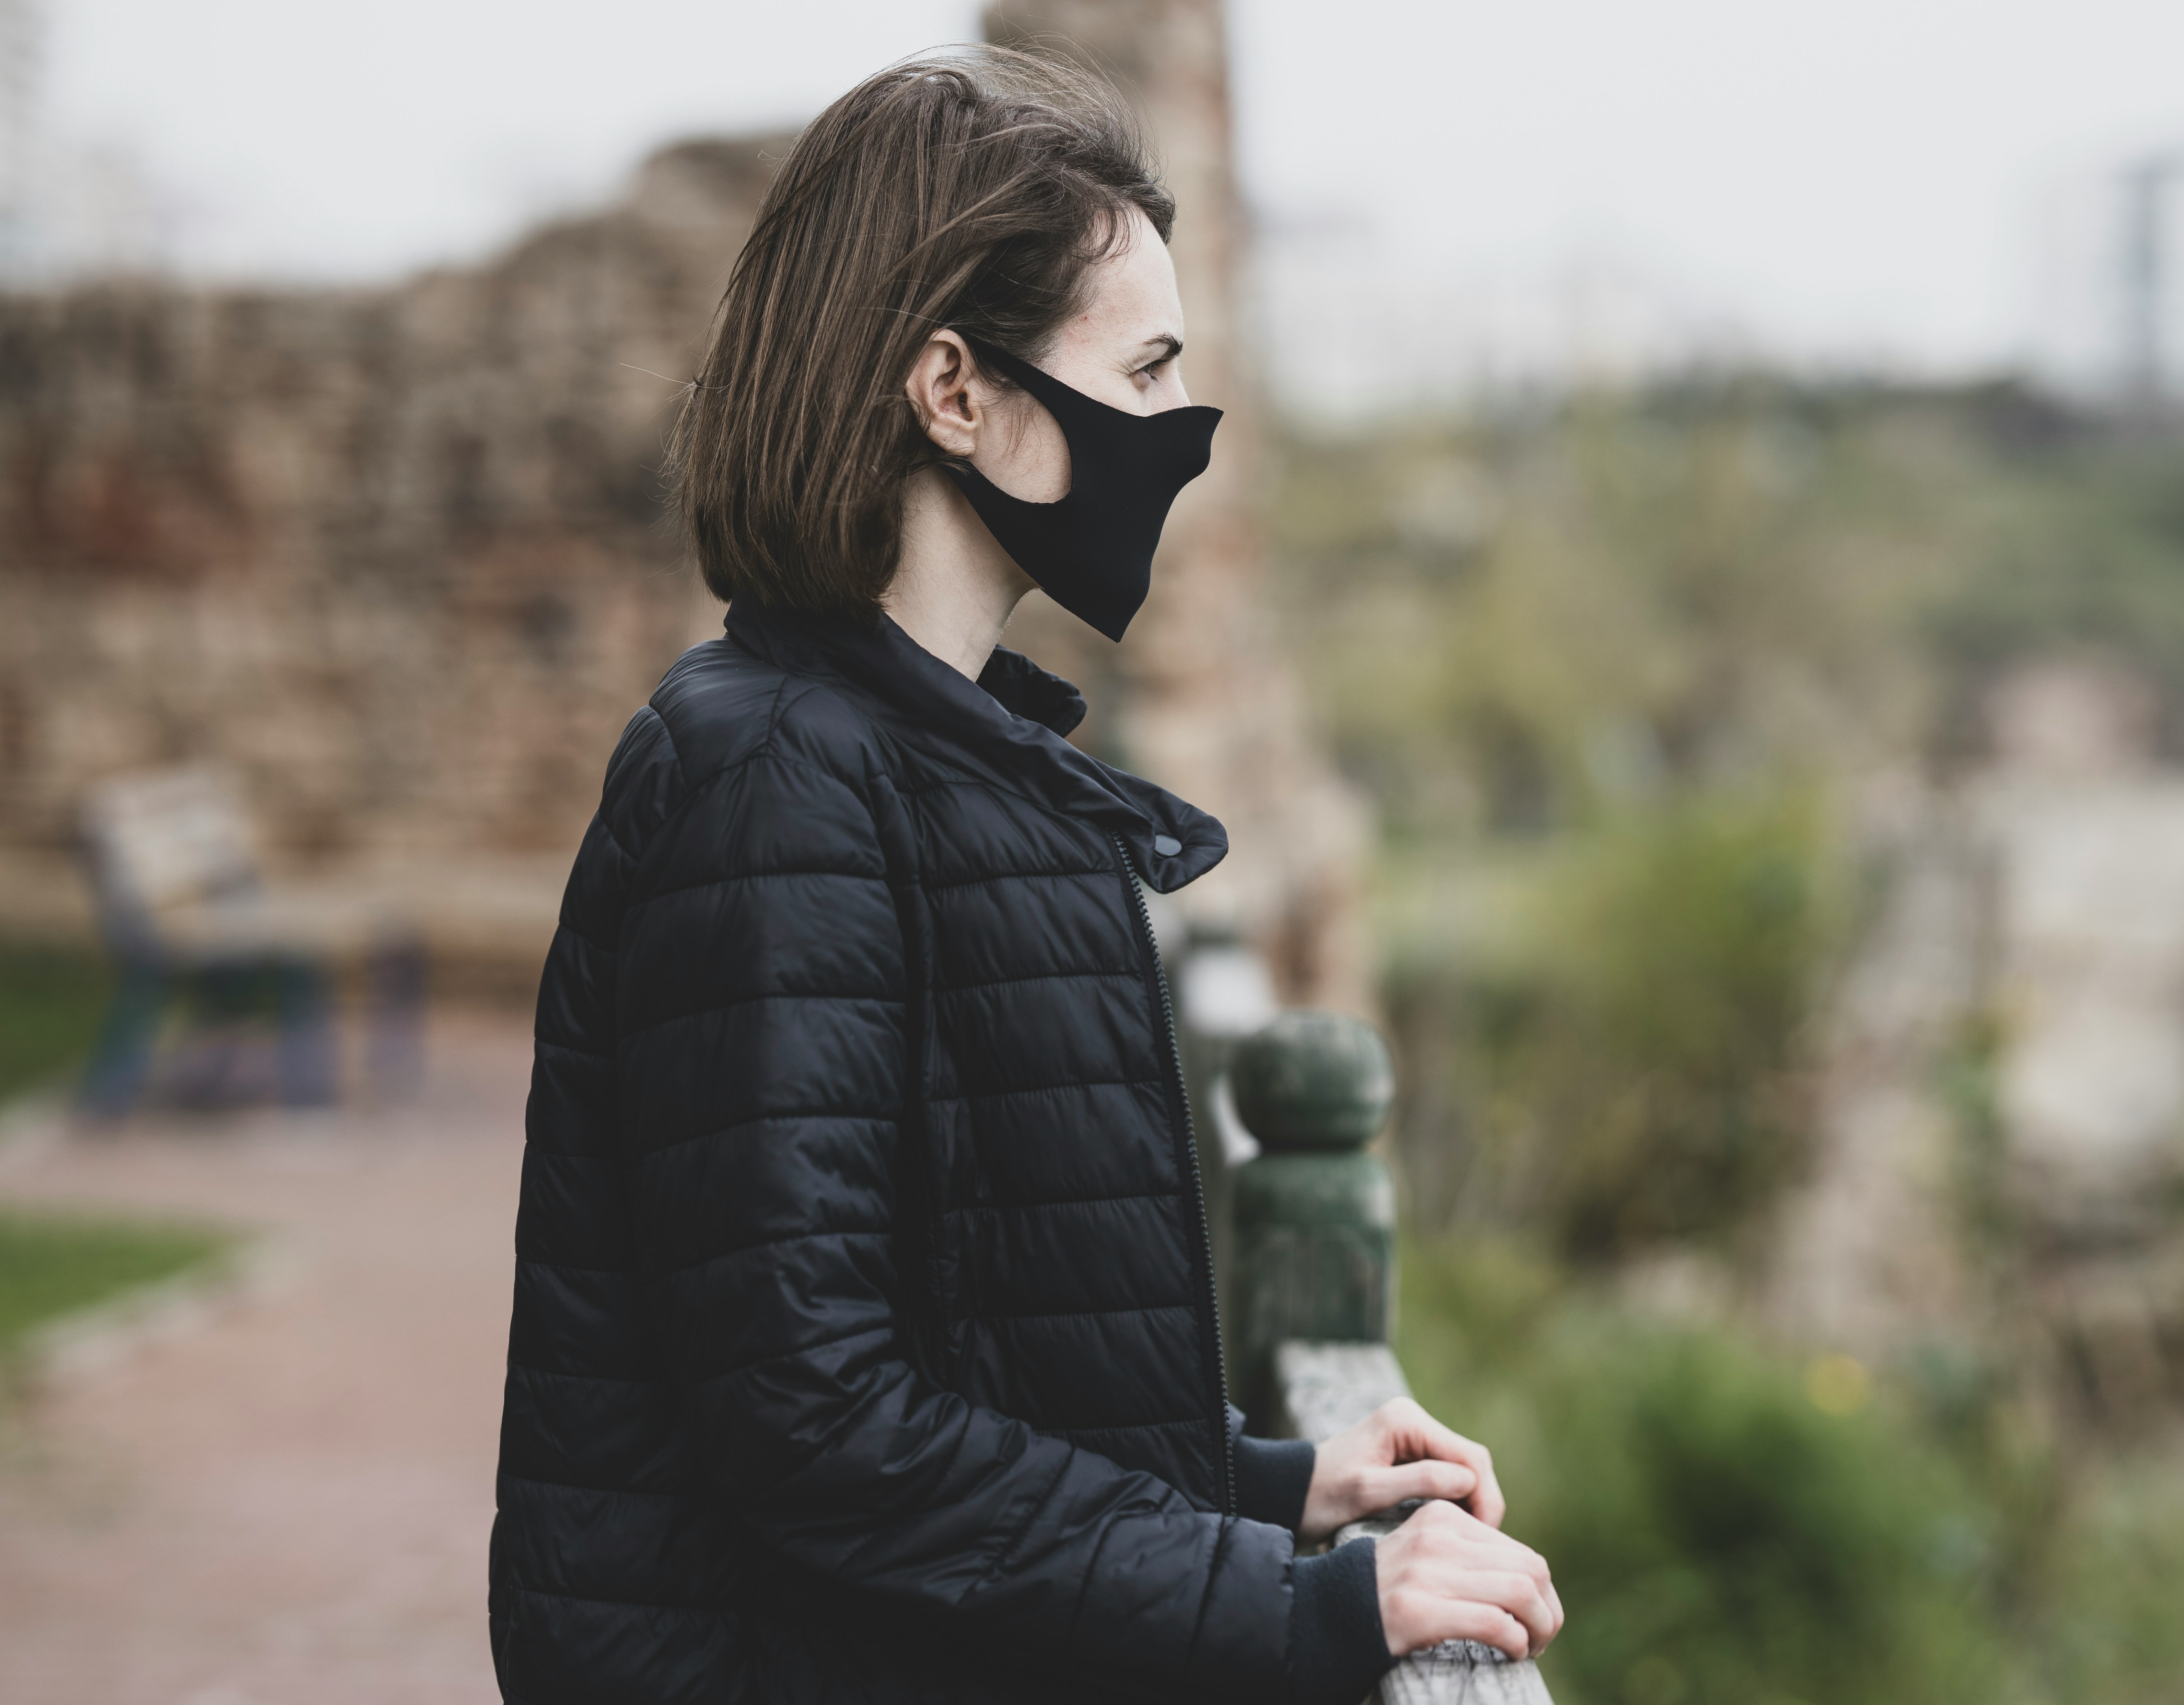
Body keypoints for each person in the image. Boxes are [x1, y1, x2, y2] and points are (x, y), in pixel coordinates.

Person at [487, 45, 1560, 1705]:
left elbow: (967, 1335)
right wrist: (1317, 1610)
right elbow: (814, 1417)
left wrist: (1280, 1485)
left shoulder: (927, 755)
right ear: (955, 391)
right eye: (1141, 373)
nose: (1176, 435)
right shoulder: (776, 783)